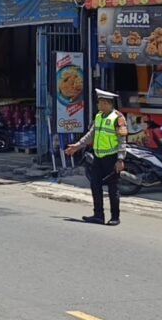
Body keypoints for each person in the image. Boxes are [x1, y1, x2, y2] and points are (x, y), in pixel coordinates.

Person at [65, 89, 128, 226]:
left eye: (99, 102)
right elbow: (91, 134)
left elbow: (123, 141)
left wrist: (120, 159)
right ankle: (98, 215)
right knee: (95, 185)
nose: (97, 105)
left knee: (113, 188)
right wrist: (77, 145)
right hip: (98, 157)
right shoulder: (99, 116)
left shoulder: (118, 118)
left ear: (106, 103)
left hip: (111, 158)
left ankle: (115, 217)